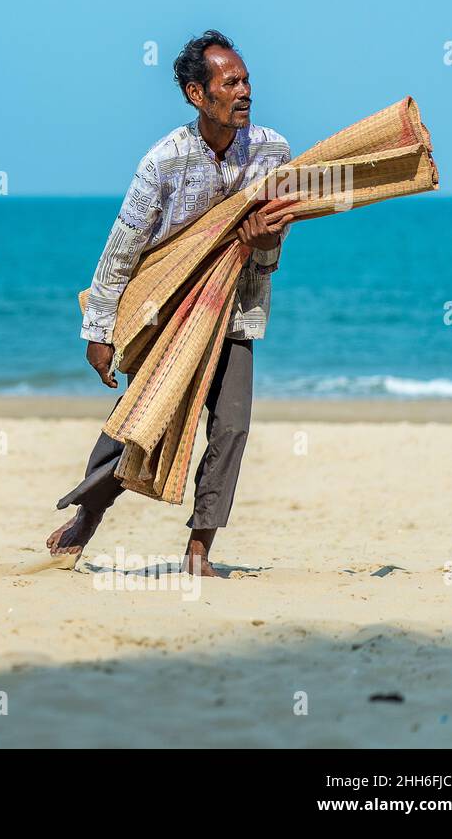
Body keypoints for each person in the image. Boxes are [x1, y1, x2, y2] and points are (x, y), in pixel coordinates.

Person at [47, 30, 294, 577]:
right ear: (196, 94)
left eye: (247, 79)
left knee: (231, 427)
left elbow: (274, 254)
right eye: (230, 83)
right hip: (170, 312)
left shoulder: (274, 152)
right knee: (141, 421)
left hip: (237, 310)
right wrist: (100, 330)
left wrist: (261, 243)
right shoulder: (163, 160)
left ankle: (199, 549)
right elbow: (122, 247)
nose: (244, 91)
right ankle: (87, 515)